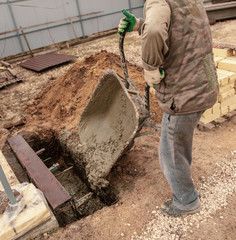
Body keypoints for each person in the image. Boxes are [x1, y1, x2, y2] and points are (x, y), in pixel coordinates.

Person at [118, 0, 218, 217]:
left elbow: (155, 31)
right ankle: (185, 186)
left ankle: (186, 201)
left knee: (170, 152)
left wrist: (151, 67)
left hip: (184, 92)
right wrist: (139, 24)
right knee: (179, 143)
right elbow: (179, 27)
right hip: (204, 82)